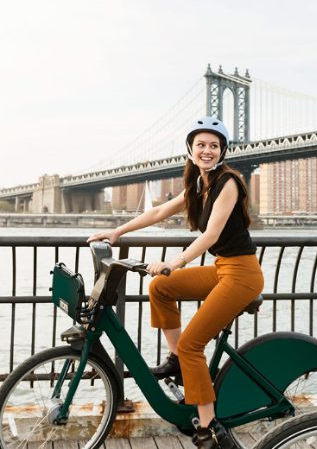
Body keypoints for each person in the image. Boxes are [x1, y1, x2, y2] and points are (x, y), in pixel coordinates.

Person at [87, 117, 262, 449]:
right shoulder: (199, 183)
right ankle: (179, 363)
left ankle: (208, 427)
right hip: (223, 269)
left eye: (214, 145)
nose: (207, 151)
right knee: (160, 288)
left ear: (223, 150)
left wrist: (174, 262)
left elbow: (211, 235)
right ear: (191, 150)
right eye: (201, 145)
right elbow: (157, 213)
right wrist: (117, 232)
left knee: (192, 343)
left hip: (242, 274)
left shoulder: (228, 183)